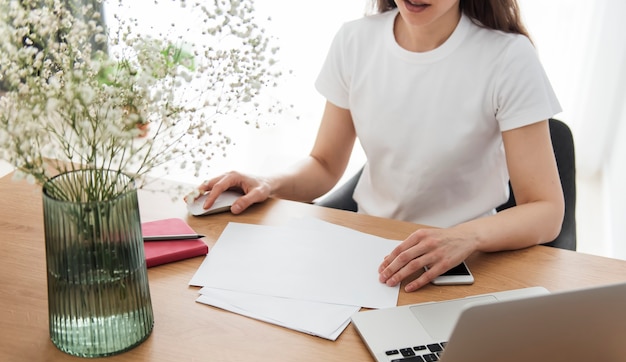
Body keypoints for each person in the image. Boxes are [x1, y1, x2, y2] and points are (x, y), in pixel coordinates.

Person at [192, 0, 565, 293]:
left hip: (465, 260)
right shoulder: (355, 40)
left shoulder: (508, 58)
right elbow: (324, 164)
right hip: (369, 254)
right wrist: (268, 182)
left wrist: (465, 236)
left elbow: (546, 210)